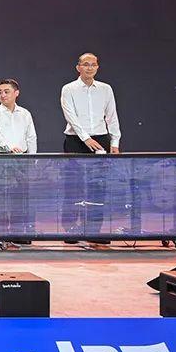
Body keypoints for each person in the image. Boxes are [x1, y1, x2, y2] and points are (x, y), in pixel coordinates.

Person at [60, 52, 121, 243]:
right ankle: (71, 230)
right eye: (86, 64)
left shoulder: (105, 89)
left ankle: (95, 230)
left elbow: (112, 116)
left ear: (97, 67)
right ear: (78, 67)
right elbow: (70, 116)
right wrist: (85, 138)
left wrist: (114, 142)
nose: (89, 68)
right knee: (73, 186)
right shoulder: (69, 89)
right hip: (75, 140)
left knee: (98, 187)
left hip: (100, 139)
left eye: (93, 64)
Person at [0, 78, 37, 248]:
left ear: (16, 93)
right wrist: (9, 148)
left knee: (19, 198)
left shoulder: (25, 113)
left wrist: (32, 158)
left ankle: (18, 233)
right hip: (1, 157)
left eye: (6, 91)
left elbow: (31, 136)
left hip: (22, 159)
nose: (2, 95)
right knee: (0, 198)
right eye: (0, 92)